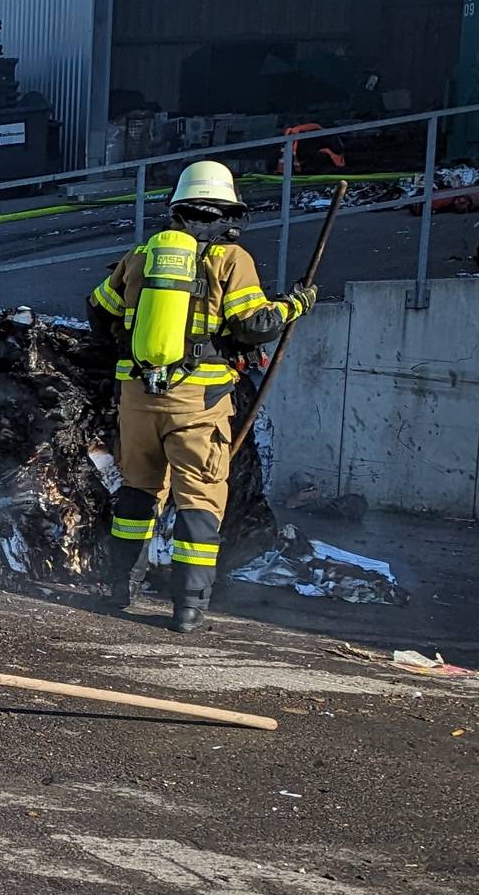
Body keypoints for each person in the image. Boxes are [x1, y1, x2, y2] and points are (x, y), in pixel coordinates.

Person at [86, 159, 315, 633]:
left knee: (137, 492)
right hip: (197, 402)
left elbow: (98, 307)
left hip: (136, 397)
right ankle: (188, 610)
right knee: (199, 500)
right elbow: (255, 326)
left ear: (178, 209)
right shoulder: (231, 260)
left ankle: (119, 590)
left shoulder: (142, 256)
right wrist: (296, 304)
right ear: (228, 213)